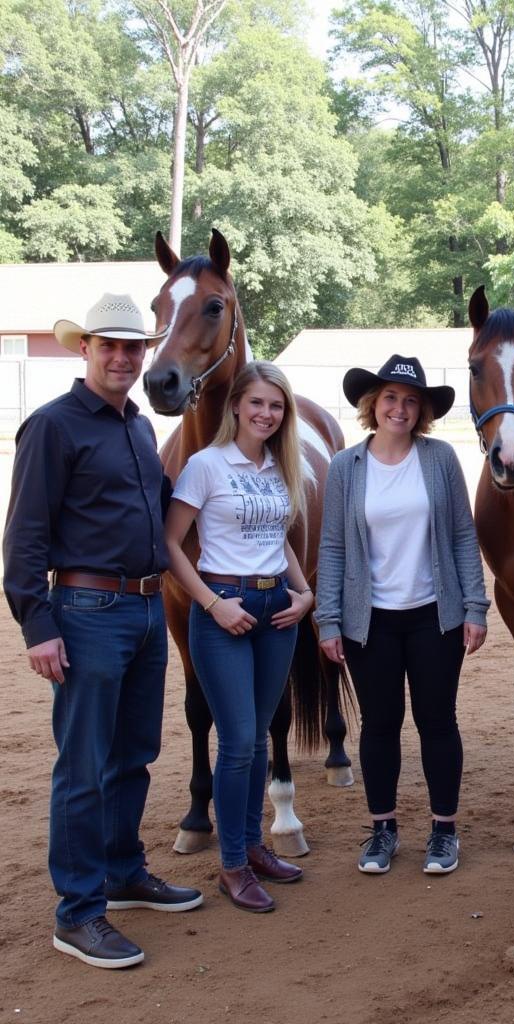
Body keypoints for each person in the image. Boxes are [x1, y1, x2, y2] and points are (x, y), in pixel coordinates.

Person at [2, 293, 203, 970]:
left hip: (147, 609)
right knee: (83, 767)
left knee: (133, 754)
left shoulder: (139, 428)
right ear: (83, 349)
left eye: (132, 347)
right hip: (87, 614)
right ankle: (78, 913)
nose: (122, 357)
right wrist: (37, 624)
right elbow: (25, 535)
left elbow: (161, 506)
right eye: (108, 345)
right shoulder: (53, 427)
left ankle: (122, 871)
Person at [315, 355, 489, 875]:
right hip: (369, 620)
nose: (400, 408)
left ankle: (444, 831)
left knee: (438, 722)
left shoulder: (438, 460)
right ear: (374, 404)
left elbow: (462, 534)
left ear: (423, 412)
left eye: (411, 401)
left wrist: (476, 606)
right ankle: (383, 829)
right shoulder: (347, 466)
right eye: (391, 398)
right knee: (379, 724)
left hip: (436, 614)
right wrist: (328, 619)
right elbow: (332, 547)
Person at [165, 362, 313, 913]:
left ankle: (253, 847)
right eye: (256, 403)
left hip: (277, 610)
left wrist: (305, 596)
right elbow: (172, 544)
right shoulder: (206, 466)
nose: (266, 414)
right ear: (235, 407)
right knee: (236, 742)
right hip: (225, 609)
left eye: (276, 406)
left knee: (256, 742)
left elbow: (282, 541)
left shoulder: (281, 468)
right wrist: (210, 603)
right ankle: (231, 864)